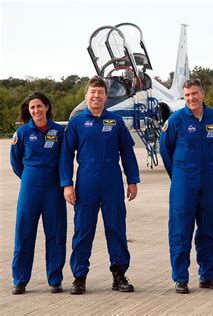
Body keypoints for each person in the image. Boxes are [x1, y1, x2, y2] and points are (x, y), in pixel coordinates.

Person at [60, 76, 140, 294]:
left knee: (116, 228)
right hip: (86, 182)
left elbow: (127, 152)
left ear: (106, 97)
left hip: (112, 182)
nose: (96, 96)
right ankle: (79, 277)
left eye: (100, 93)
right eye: (92, 92)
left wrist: (132, 180)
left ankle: (119, 274)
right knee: (83, 230)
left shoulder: (115, 122)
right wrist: (67, 184)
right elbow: (66, 156)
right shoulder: (76, 123)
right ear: (86, 95)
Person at [160, 79, 213, 294]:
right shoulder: (176, 120)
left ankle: (208, 275)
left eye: (195, 94)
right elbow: (165, 150)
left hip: (210, 182)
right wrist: (180, 174)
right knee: (180, 230)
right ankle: (181, 278)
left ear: (203, 94)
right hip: (184, 183)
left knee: (210, 229)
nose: (191, 98)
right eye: (187, 95)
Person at [10, 92, 67, 295]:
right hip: (30, 187)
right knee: (24, 233)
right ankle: (20, 280)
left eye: (39, 106)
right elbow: (16, 162)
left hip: (54, 188)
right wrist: (29, 177)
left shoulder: (59, 132)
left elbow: (65, 159)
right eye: (32, 108)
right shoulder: (22, 133)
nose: (36, 111)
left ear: (47, 107)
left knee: (56, 233)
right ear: (29, 111)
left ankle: (55, 279)